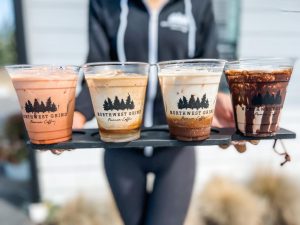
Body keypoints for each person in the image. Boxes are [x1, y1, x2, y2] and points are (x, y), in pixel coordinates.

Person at [73, 0, 234, 225]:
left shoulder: (198, 4)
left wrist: (217, 101)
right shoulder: (104, 4)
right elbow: (97, 70)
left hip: (177, 146)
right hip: (121, 146)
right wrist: (74, 117)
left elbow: (208, 68)